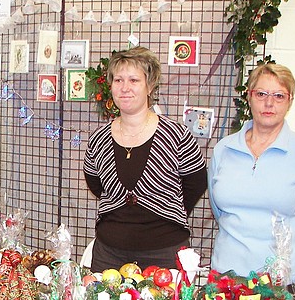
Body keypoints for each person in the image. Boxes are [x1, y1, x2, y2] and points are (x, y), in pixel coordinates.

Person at [208, 62, 295, 300]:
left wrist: (285, 252)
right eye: (261, 94)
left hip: (280, 283)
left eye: (278, 95)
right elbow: (219, 209)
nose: (269, 103)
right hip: (226, 276)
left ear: (290, 101)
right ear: (249, 96)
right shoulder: (224, 149)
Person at [83, 47, 207, 272]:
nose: (125, 87)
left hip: (165, 254)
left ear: (150, 86)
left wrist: (166, 210)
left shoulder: (177, 135)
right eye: (118, 80)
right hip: (109, 254)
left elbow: (196, 182)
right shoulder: (98, 139)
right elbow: (95, 183)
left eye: (134, 80)